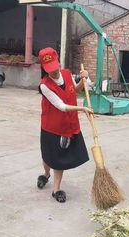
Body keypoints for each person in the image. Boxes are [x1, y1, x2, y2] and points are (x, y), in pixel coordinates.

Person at [36, 47, 94, 203]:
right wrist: (82, 108)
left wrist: (83, 80)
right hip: (51, 126)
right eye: (49, 70)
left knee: (59, 158)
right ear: (43, 68)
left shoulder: (67, 74)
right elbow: (61, 106)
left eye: (55, 68)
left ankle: (56, 189)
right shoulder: (44, 85)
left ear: (59, 63)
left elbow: (74, 90)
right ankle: (46, 174)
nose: (53, 72)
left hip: (68, 124)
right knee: (48, 156)